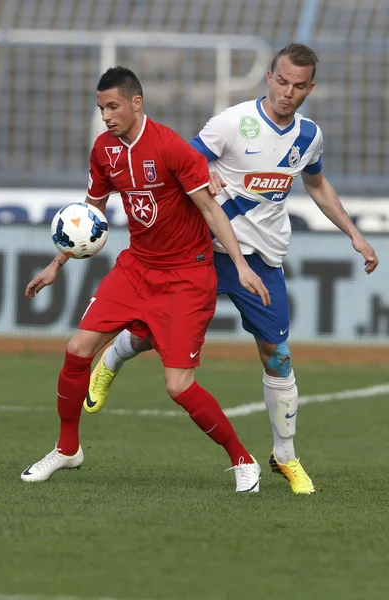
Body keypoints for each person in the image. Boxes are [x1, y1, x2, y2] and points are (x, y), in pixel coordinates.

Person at [83, 43, 379, 495]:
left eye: (299, 86)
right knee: (147, 333)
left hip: (264, 260)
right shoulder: (232, 123)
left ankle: (285, 456)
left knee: (276, 356)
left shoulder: (308, 136)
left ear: (310, 89)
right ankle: (111, 361)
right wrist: (206, 170)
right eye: (281, 82)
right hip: (205, 251)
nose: (288, 92)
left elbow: (316, 184)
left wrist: (353, 233)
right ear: (269, 78)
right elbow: (183, 159)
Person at [21, 66, 274, 493]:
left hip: (186, 275)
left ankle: (242, 459)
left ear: (136, 103)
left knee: (178, 386)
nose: (106, 116)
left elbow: (212, 210)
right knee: (76, 349)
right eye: (101, 107)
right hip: (137, 267)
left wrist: (242, 265)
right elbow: (89, 216)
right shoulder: (104, 150)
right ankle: (67, 449)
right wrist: (58, 262)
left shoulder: (172, 148)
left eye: (113, 106)